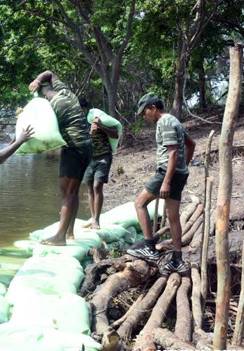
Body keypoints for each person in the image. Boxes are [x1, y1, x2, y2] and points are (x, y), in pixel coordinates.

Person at [126, 93, 196, 273]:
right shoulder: (175, 121)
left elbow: (172, 153)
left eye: (144, 112)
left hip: (167, 172)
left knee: (139, 203)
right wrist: (182, 168)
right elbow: (191, 144)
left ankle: (149, 247)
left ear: (153, 108)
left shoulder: (164, 122)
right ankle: (177, 260)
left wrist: (166, 181)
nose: (144, 116)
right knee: (173, 217)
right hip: (178, 173)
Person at [28, 71, 92, 245]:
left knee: (66, 193)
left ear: (42, 96)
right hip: (86, 148)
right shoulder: (66, 92)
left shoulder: (51, 108)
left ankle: (60, 236)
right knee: (74, 191)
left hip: (74, 149)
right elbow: (50, 73)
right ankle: (70, 231)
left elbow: (41, 135)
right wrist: (37, 79)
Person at [79, 98, 119, 230]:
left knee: (97, 186)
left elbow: (115, 134)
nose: (81, 111)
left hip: (103, 157)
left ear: (86, 108)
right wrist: (90, 133)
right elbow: (79, 141)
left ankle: (96, 220)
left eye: (82, 109)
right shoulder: (79, 123)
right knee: (90, 188)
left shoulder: (98, 118)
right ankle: (93, 218)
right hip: (89, 159)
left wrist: (102, 126)